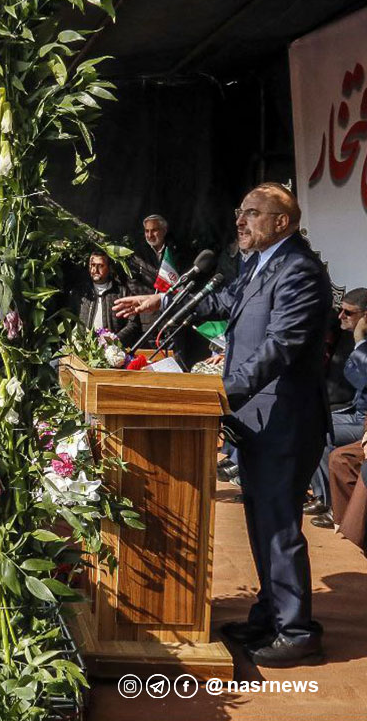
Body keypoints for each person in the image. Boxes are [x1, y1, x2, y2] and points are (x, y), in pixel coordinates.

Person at [116, 182, 331, 666]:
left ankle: (297, 631)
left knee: (278, 524)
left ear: (282, 221)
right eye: (240, 212)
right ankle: (270, 612)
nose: (240, 221)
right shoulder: (260, 264)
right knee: (260, 519)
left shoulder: (298, 270)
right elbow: (223, 302)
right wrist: (159, 302)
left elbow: (279, 347)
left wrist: (219, 391)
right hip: (256, 417)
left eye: (252, 213)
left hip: (284, 418)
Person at [310, 289, 367, 528]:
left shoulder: (359, 342)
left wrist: (361, 341)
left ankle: (336, 508)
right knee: (307, 423)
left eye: (349, 313)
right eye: (340, 310)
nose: (341, 316)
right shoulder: (346, 337)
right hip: (354, 412)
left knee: (321, 432)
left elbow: (359, 377)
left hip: (362, 420)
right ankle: (323, 497)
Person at [71, 251, 141, 346]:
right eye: (92, 265)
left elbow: (133, 323)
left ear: (109, 268)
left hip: (113, 351)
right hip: (84, 349)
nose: (95, 269)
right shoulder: (81, 293)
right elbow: (70, 321)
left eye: (100, 266)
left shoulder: (122, 293)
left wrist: (114, 340)